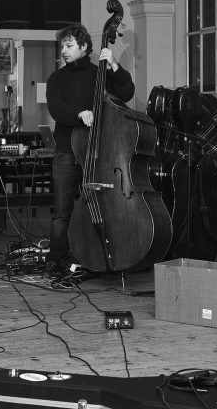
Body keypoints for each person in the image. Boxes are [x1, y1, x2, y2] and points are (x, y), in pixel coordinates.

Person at [44, 23, 135, 277]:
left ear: (84, 47)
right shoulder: (56, 79)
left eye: (69, 45)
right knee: (62, 211)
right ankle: (55, 259)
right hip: (66, 150)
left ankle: (97, 254)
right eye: (62, 45)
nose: (64, 50)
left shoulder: (100, 73)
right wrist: (78, 114)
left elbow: (127, 92)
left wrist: (115, 66)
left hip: (98, 151)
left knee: (101, 205)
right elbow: (56, 109)